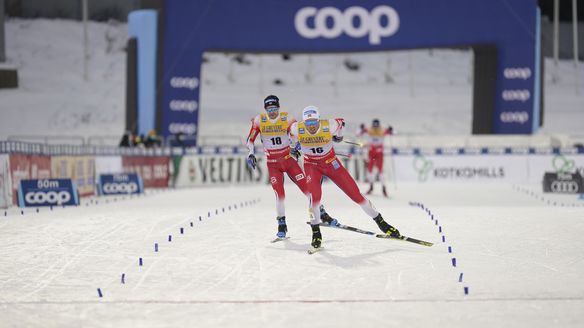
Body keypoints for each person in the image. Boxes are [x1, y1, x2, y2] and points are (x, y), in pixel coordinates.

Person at [290, 106, 400, 250]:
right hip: (312, 165)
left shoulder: (328, 125)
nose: (311, 126)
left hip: (331, 163)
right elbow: (289, 134)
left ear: (318, 120)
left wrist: (339, 136)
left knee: (357, 196)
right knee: (314, 198)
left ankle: (381, 222)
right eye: (308, 123)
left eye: (314, 123)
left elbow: (340, 122)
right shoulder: (297, 128)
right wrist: (293, 147)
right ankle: (316, 233)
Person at [246, 95, 336, 239]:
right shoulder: (259, 120)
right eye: (269, 109)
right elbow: (250, 140)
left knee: (308, 189)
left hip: (289, 160)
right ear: (265, 109)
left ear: (279, 107)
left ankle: (323, 214)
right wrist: (251, 153)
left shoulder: (287, 118)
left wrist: (296, 145)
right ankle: (282, 225)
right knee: (279, 195)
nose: (272, 112)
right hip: (273, 164)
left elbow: (296, 134)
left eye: (275, 108)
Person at [358, 119, 393, 197]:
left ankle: (384, 188)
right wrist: (361, 128)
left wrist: (391, 129)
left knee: (380, 171)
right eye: (374, 125)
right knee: (370, 170)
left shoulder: (382, 130)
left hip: (379, 153)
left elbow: (392, 133)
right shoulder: (370, 130)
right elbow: (359, 133)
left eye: (376, 125)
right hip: (371, 153)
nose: (375, 127)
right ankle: (371, 187)